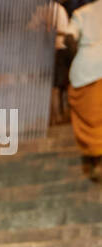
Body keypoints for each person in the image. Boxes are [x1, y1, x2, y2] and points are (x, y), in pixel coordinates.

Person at [67, 0, 102, 178]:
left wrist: (76, 57)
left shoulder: (81, 13)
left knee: (91, 120)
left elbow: (69, 39)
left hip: (87, 70)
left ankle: (96, 161)